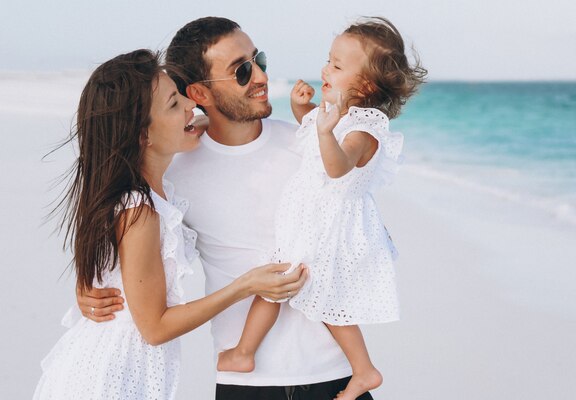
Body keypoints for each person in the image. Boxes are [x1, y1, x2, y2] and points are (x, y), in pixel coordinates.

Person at [34, 49, 305, 400]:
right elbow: (155, 327)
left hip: (119, 369)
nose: (191, 108)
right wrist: (246, 285)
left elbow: (204, 123)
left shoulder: (153, 193)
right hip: (111, 378)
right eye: (174, 105)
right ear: (142, 136)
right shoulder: (141, 211)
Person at [215, 17, 427, 400]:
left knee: (291, 287)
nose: (324, 70)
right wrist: (303, 109)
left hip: (331, 226)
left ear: (364, 85)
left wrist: (326, 130)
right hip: (312, 219)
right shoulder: (338, 115)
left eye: (336, 66)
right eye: (327, 60)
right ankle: (352, 368)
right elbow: (314, 131)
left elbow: (337, 166)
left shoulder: (366, 128)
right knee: (288, 286)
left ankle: (353, 369)